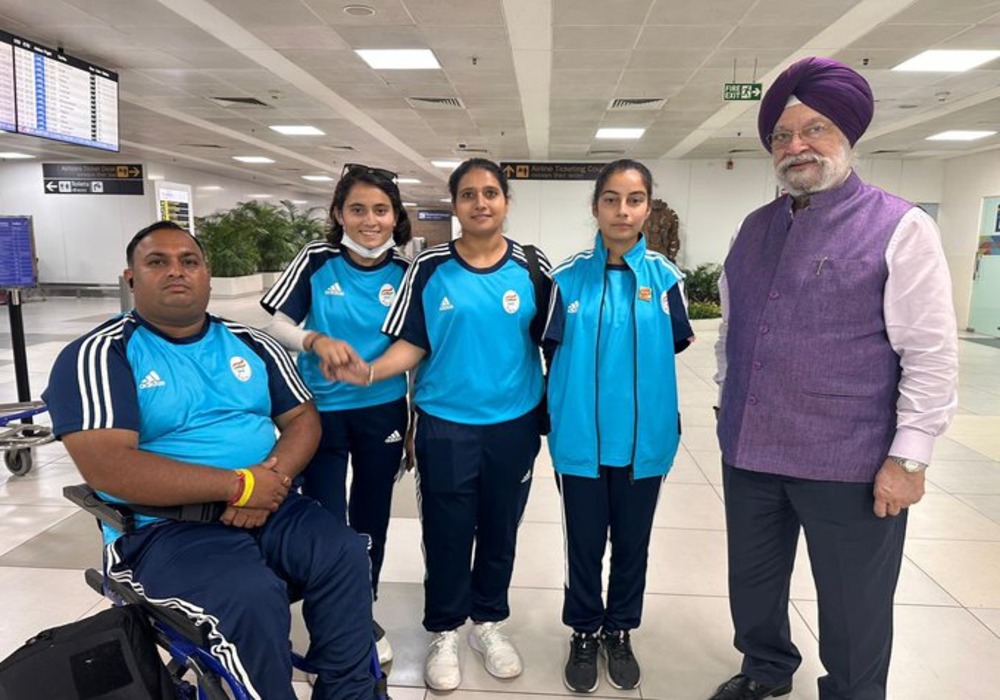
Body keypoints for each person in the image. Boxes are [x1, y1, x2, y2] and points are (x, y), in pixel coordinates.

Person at [42, 221, 377, 700]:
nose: (176, 271)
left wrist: (269, 481)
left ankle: (352, 692)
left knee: (344, 552)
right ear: (130, 278)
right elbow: (109, 468)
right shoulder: (100, 354)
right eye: (157, 262)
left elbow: (303, 418)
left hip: (272, 504)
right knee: (251, 597)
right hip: (163, 528)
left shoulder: (252, 343)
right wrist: (238, 487)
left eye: (189, 261)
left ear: (208, 276)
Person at [710, 57, 959, 700]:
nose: (797, 147)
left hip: (849, 458)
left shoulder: (901, 227)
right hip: (750, 451)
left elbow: (930, 353)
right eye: (783, 136)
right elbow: (733, 335)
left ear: (847, 135)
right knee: (755, 584)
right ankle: (766, 672)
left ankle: (852, 692)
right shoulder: (754, 229)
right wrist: (724, 404)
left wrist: (910, 458)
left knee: (854, 602)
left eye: (814, 129)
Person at [333, 158, 552, 691]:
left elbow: (553, 341)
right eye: (469, 194)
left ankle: (489, 622)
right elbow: (412, 343)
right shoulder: (428, 267)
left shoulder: (531, 265)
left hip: (514, 424)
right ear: (454, 205)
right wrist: (370, 371)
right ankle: (446, 629)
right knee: (448, 532)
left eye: (491, 193)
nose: (481, 203)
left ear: (505, 202)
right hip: (445, 426)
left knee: (500, 529)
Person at [545, 159, 694, 693]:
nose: (622, 210)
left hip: (643, 442)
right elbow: (547, 352)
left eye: (634, 200)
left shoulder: (668, 282)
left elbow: (674, 345)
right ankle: (584, 631)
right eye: (611, 199)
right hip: (580, 440)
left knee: (633, 544)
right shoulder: (563, 282)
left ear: (647, 208)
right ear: (595, 207)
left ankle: (621, 629)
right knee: (583, 544)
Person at [261, 163, 412, 665]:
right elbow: (278, 322)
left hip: (383, 409)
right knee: (325, 517)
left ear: (395, 217)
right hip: (319, 411)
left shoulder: (409, 272)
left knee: (372, 515)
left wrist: (413, 420)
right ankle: (327, 609)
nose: (369, 221)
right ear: (338, 214)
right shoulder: (317, 259)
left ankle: (360, 607)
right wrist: (314, 340)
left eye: (380, 210)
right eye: (357, 209)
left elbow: (418, 346)